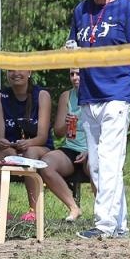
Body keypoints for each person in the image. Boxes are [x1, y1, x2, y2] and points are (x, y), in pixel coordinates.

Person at [69, 0, 130, 240]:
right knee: (99, 165)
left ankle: (103, 226)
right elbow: (72, 47)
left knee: (110, 161)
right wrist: (73, 66)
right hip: (89, 96)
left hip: (118, 94)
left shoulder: (128, 9)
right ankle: (120, 226)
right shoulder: (81, 10)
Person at [0, 69, 80, 222]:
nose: (15, 73)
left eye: (20, 69)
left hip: (38, 146)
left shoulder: (41, 95)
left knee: (30, 153)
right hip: (12, 148)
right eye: (11, 70)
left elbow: (42, 137)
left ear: (29, 73)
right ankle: (2, 210)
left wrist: (27, 143)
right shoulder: (0, 97)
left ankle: (33, 210)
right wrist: (3, 142)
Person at [37, 68, 89, 223]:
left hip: (92, 148)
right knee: (45, 164)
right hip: (71, 147)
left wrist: (89, 151)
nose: (75, 77)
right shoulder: (66, 96)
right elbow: (58, 133)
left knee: (97, 166)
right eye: (72, 74)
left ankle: (105, 214)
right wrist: (66, 124)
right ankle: (74, 207)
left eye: (78, 73)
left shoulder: (97, 94)